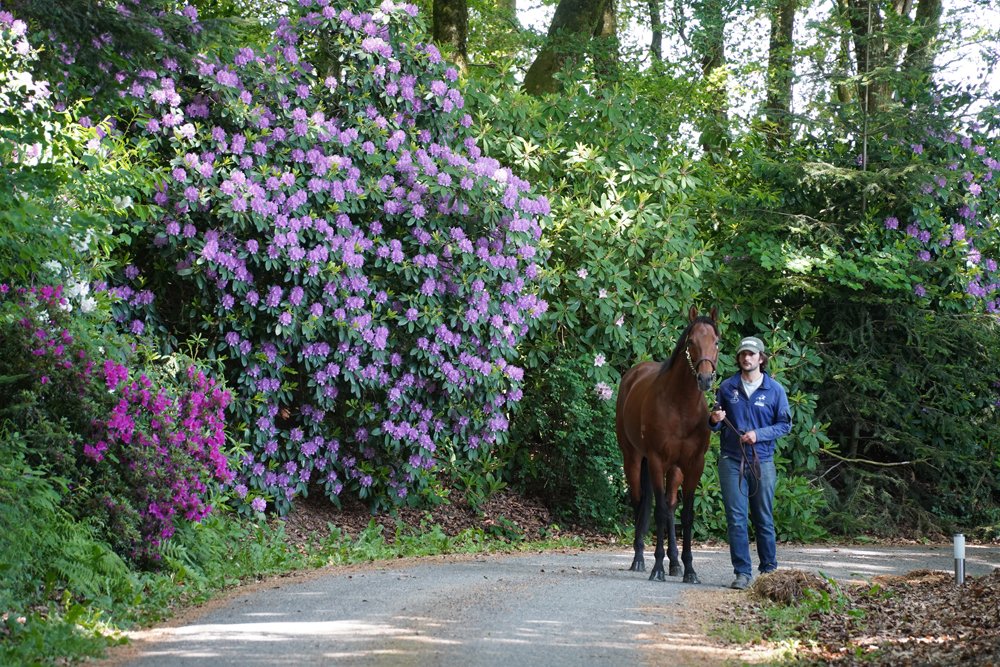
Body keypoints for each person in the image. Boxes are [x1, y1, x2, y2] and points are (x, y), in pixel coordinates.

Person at [709, 336, 792, 590]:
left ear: (761, 358)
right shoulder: (727, 387)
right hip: (731, 460)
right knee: (736, 519)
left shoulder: (775, 390)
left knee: (763, 518)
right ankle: (742, 573)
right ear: (738, 358)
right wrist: (714, 419)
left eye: (752, 354)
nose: (747, 358)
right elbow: (715, 426)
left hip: (762, 461)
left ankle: (769, 572)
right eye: (743, 354)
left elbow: (785, 425)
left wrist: (759, 434)